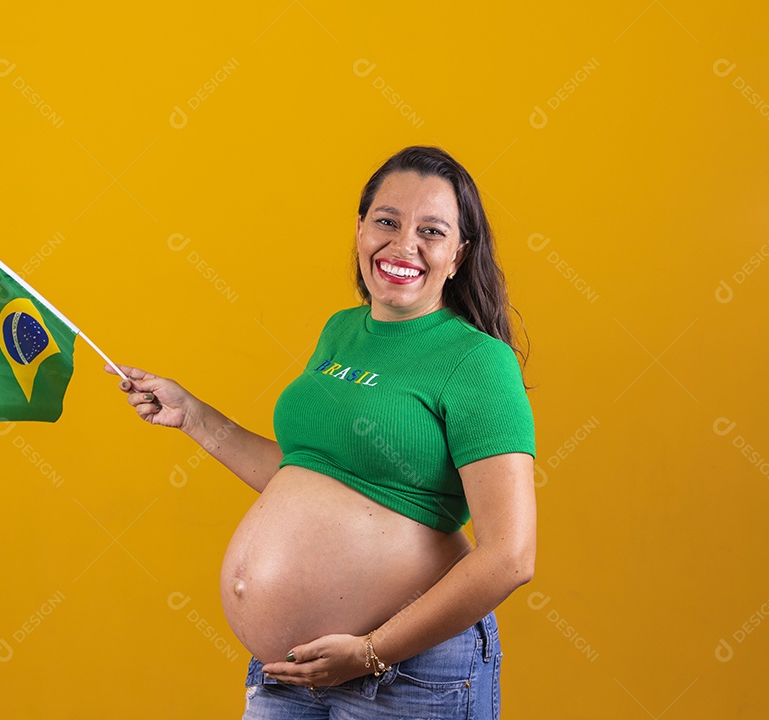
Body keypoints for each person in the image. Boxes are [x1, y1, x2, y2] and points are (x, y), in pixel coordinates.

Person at [107, 145, 537, 719]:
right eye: (386, 221)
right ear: (360, 229)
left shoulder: (478, 362)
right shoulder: (341, 332)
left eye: (431, 231)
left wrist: (370, 651)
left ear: (458, 254)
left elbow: (510, 556)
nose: (403, 244)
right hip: (289, 669)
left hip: (405, 671)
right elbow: (308, 474)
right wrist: (193, 415)